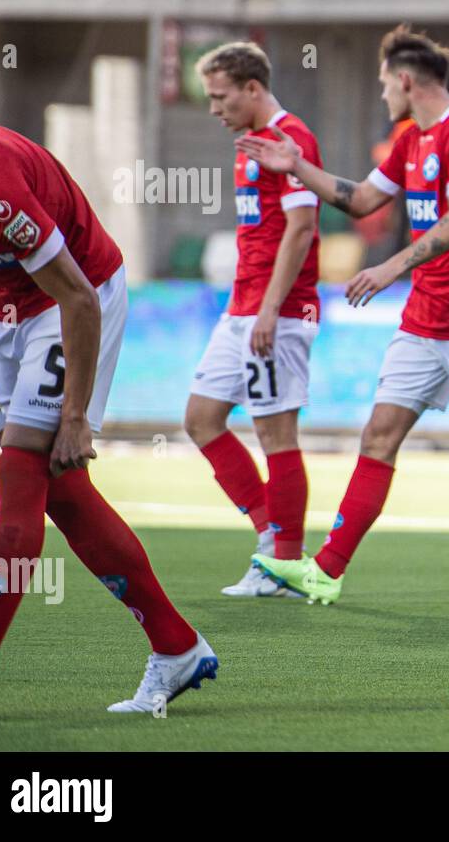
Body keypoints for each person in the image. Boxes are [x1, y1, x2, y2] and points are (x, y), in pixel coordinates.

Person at [234, 26, 449, 611]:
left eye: (382, 85)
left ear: (403, 80)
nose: (381, 96)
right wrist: (296, 165)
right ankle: (326, 569)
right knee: (380, 435)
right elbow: (362, 199)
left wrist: (391, 265)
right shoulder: (410, 140)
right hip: (423, 320)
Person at [0, 119, 216, 716]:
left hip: (77, 296)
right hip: (6, 311)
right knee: (61, 490)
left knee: (19, 476)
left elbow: (76, 295)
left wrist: (73, 415)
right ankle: (176, 645)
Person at [183, 42, 320, 597]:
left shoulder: (292, 140)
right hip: (241, 308)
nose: (214, 108)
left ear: (252, 89)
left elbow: (302, 228)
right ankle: (271, 536)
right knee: (201, 418)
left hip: (277, 312)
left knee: (275, 432)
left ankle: (284, 564)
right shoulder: (248, 144)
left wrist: (268, 309)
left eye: (220, 97)